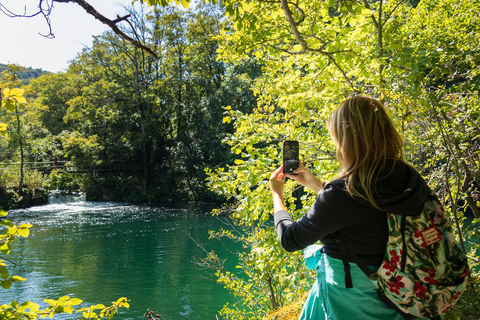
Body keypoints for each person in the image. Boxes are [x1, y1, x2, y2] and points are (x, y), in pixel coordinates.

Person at [269, 95, 429, 320]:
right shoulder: (409, 177)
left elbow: (289, 239)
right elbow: (366, 208)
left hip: (351, 301)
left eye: (336, 138)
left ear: (347, 141)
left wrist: (277, 194)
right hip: (402, 295)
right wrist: (317, 185)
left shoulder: (342, 193)